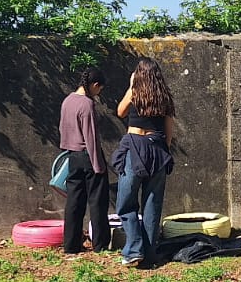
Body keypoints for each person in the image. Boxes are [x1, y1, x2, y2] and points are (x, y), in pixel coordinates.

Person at [112, 57, 176, 267]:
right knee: (152, 204)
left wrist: (131, 86)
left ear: (137, 75)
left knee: (125, 202)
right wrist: (164, 152)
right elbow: (168, 131)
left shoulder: (134, 92)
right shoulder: (164, 97)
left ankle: (134, 250)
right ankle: (148, 255)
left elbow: (120, 112)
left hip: (135, 147)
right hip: (157, 149)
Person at [58, 67, 111, 254]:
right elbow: (91, 137)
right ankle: (100, 244)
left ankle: (71, 244)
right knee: (97, 201)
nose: (98, 93)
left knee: (74, 201)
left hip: (72, 155)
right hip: (89, 156)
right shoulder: (87, 104)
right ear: (95, 85)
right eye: (99, 89)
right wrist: (99, 165)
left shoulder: (67, 100)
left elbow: (63, 129)